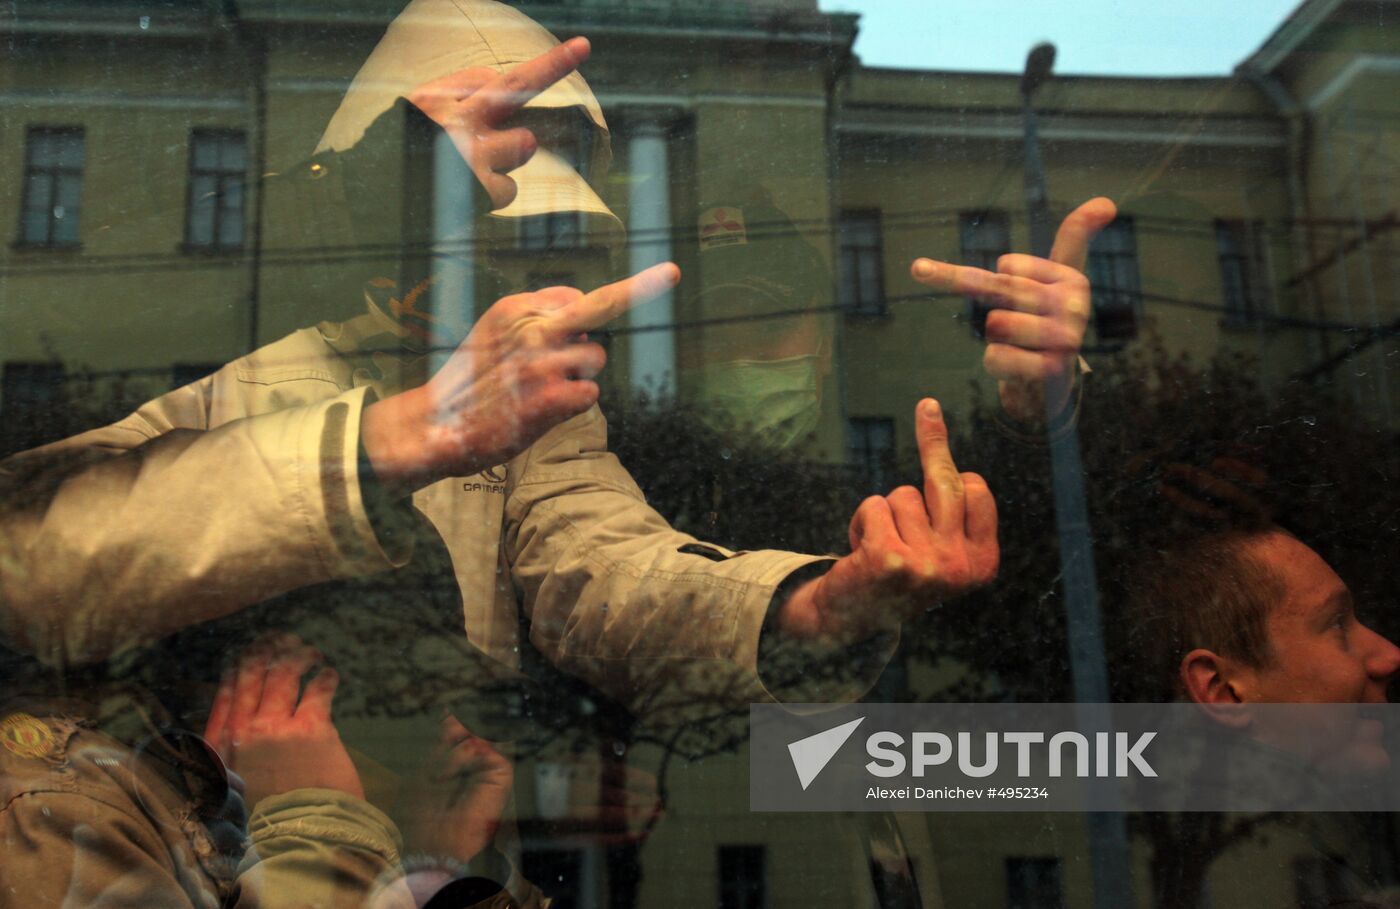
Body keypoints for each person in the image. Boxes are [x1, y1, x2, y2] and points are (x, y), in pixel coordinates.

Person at [0, 633, 538, 908]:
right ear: (263, 697)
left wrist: (435, 876)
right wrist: (319, 824)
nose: (447, 735)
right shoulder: (59, 807)